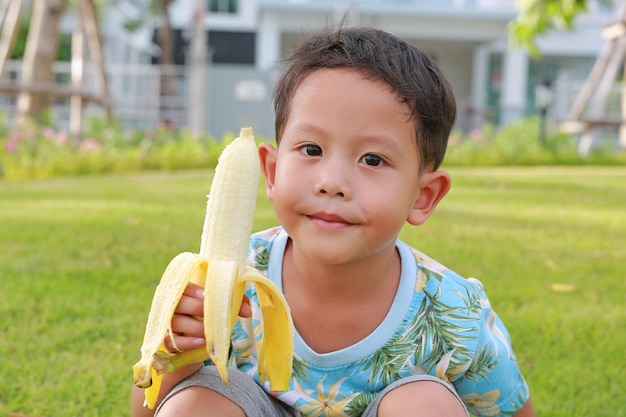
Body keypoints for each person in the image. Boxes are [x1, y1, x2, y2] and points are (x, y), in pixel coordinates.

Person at [131, 25, 535, 417]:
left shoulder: (453, 311)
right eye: (311, 149)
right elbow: (151, 411)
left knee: (425, 404)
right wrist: (177, 351)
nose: (332, 183)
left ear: (422, 196)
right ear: (271, 172)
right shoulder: (226, 283)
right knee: (197, 402)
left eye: (372, 159)